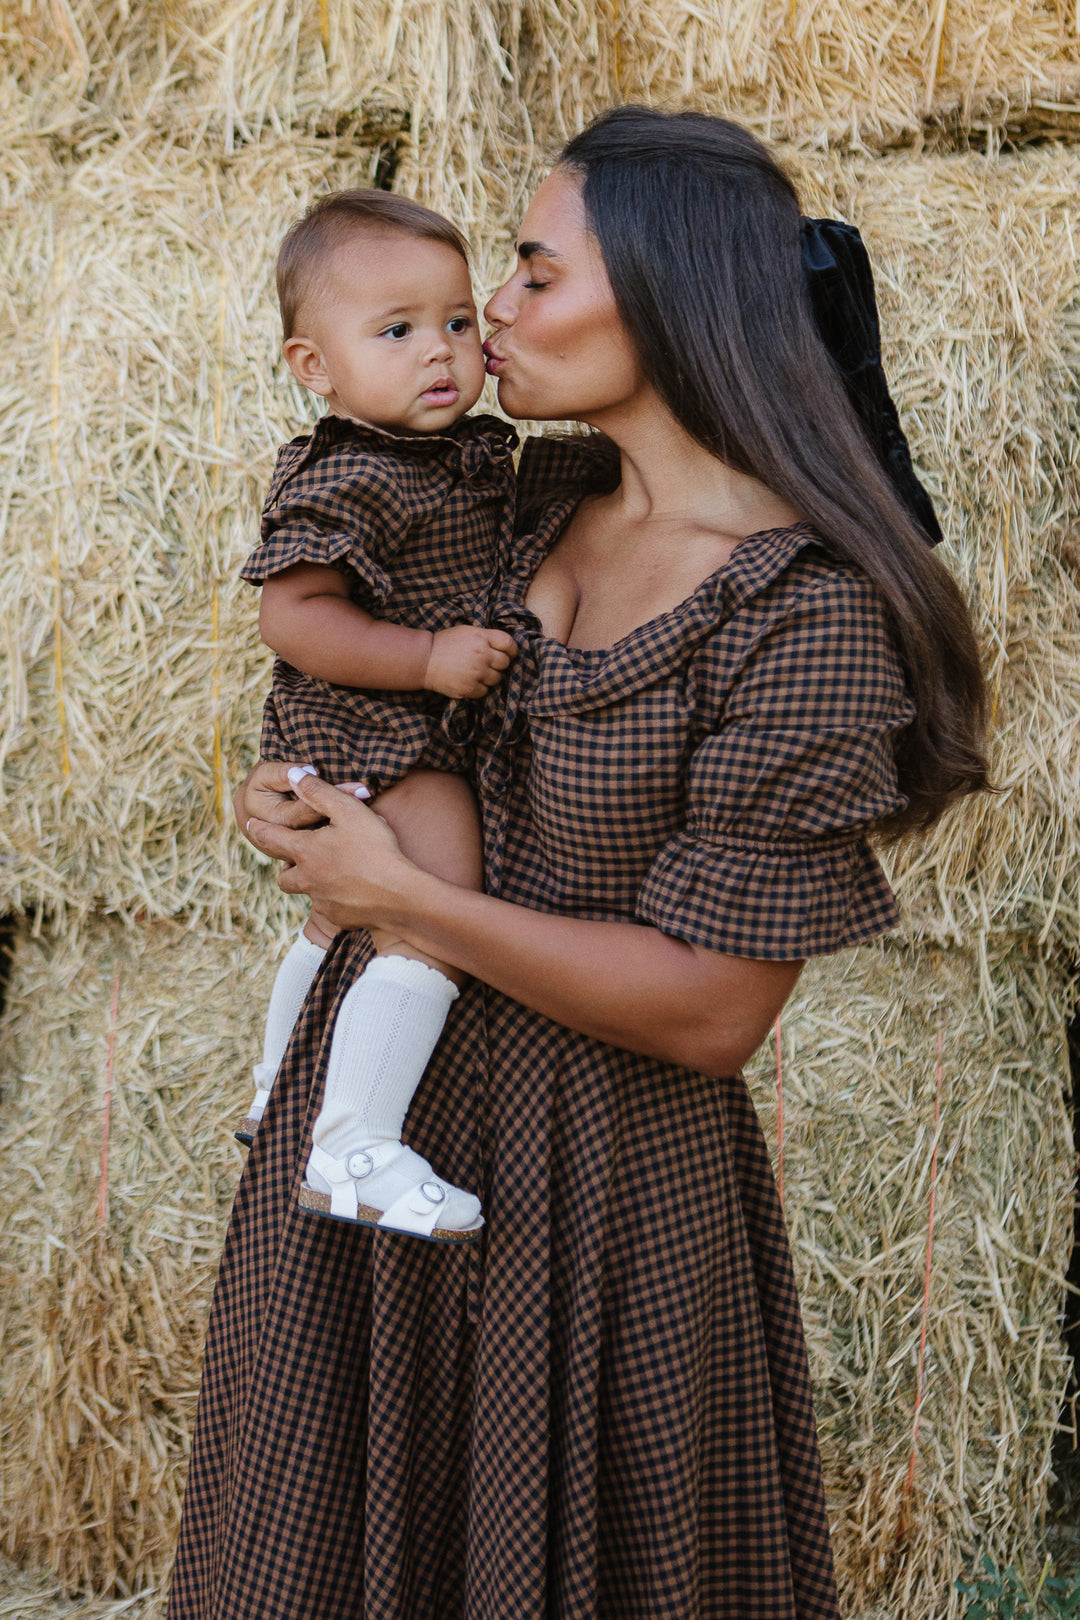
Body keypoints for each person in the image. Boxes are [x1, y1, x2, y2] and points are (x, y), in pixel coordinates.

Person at [170, 108, 987, 1619]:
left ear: (671, 298)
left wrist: (407, 901)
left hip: (599, 1203)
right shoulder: (510, 498)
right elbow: (343, 680)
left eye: (536, 272)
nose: (492, 311)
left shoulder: (804, 617)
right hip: (372, 1163)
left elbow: (713, 1013)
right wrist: (295, 800)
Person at [238, 189, 518, 1241]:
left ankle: (279, 1092)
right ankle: (352, 1139)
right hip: (376, 730)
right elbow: (294, 616)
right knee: (434, 902)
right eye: (396, 332)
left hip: (382, 727)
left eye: (457, 321)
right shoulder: (350, 475)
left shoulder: (443, 453)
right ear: (314, 367)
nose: (441, 352)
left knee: (333, 917)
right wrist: (426, 658)